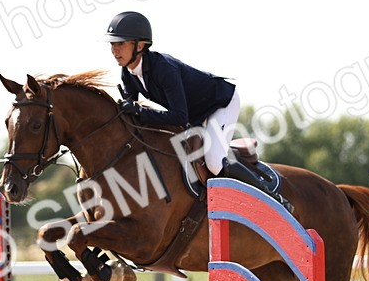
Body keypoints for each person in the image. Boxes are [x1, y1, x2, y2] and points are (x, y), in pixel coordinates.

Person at [105, 11, 290, 210]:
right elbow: (133, 117)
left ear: (139, 45)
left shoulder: (164, 69)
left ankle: (272, 199)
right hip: (195, 112)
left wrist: (140, 111)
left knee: (214, 163)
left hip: (220, 103)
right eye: (112, 45)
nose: (115, 50)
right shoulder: (127, 73)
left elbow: (179, 116)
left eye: (120, 44)